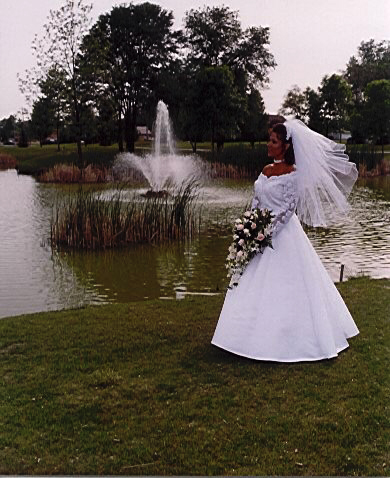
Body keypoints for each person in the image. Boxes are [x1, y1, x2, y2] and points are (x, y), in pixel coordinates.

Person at [211, 119, 359, 362]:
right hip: (258, 232)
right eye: (269, 140)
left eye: (273, 141)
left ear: (286, 146)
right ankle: (240, 338)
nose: (268, 144)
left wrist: (265, 234)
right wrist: (248, 227)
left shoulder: (293, 174)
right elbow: (257, 201)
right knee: (249, 285)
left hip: (283, 235)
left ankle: (288, 340)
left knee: (287, 288)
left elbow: (289, 209)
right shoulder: (265, 170)